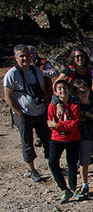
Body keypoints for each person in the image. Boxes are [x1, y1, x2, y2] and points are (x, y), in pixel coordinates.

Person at [4, 44, 50, 182]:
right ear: (15, 58)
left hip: (40, 111)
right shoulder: (12, 74)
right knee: (27, 142)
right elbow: (8, 97)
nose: (25, 58)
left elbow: (43, 90)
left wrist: (46, 105)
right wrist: (18, 113)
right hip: (23, 113)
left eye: (27, 55)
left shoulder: (36, 71)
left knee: (48, 139)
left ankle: (53, 165)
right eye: (21, 56)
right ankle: (32, 170)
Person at [46, 79, 82, 204]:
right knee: (52, 163)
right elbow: (50, 123)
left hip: (73, 138)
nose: (63, 91)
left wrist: (58, 124)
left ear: (69, 90)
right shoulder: (52, 105)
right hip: (57, 138)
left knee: (72, 165)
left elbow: (74, 124)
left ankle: (73, 189)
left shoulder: (74, 104)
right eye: (59, 88)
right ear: (55, 91)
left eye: (65, 88)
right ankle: (64, 188)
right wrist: (60, 125)